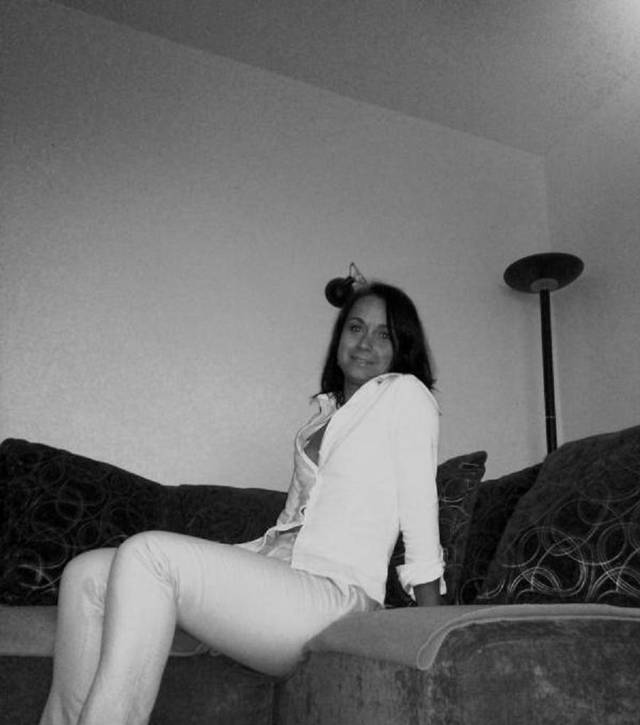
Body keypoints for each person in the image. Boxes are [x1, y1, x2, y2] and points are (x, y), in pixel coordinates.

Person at [39, 281, 445, 725]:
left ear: (402, 347)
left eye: (384, 334)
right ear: (339, 337)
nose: (365, 343)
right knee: (86, 573)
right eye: (355, 327)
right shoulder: (323, 418)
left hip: (338, 598)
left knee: (148, 553)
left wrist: (437, 633)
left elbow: (420, 512)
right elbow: (293, 519)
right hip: (286, 583)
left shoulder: (405, 395)